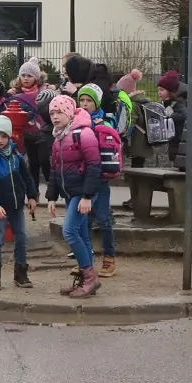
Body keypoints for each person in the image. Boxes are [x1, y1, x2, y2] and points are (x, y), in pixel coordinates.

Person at [46, 95, 102, 299]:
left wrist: (87, 196)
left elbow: (95, 166)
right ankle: (86, 277)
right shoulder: (59, 136)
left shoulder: (83, 133)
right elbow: (54, 169)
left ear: (69, 113)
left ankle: (89, 277)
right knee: (82, 235)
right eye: (52, 113)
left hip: (82, 193)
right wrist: (51, 197)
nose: (55, 116)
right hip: (71, 192)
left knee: (69, 231)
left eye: (59, 112)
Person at [0, 114, 38, 290]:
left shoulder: (16, 155)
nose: (1, 140)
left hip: (17, 204)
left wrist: (32, 196)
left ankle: (21, 273)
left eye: (4, 136)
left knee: (21, 238)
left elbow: (26, 177)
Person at [74, 83, 118, 277]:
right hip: (83, 177)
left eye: (89, 101)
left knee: (103, 219)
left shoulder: (105, 121)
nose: (84, 104)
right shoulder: (75, 120)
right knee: (85, 221)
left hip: (100, 177)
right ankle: (86, 261)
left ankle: (109, 259)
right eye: (81, 100)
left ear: (97, 102)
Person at [8, 58, 53, 200]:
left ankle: (52, 186)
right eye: (23, 75)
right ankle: (34, 191)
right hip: (26, 132)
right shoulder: (15, 95)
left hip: (43, 132)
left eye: (29, 76)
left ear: (36, 78)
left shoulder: (45, 92)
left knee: (44, 159)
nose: (26, 79)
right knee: (32, 162)